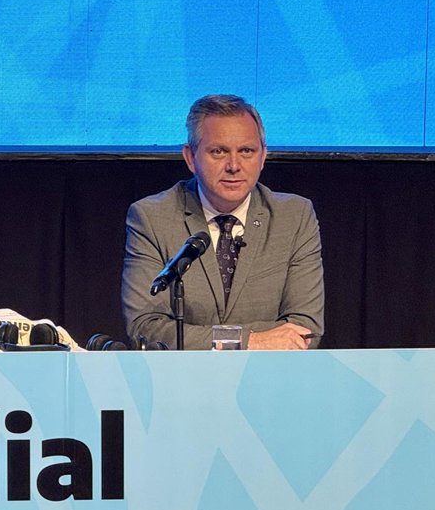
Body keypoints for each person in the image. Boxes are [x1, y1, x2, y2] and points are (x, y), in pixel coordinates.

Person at [121, 94, 324, 350]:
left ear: (263, 156)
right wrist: (249, 340)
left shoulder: (294, 217)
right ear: (190, 158)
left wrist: (203, 338)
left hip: (268, 372)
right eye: (218, 151)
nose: (234, 165)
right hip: (183, 373)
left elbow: (305, 329)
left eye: (246, 151)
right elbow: (145, 328)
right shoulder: (151, 218)